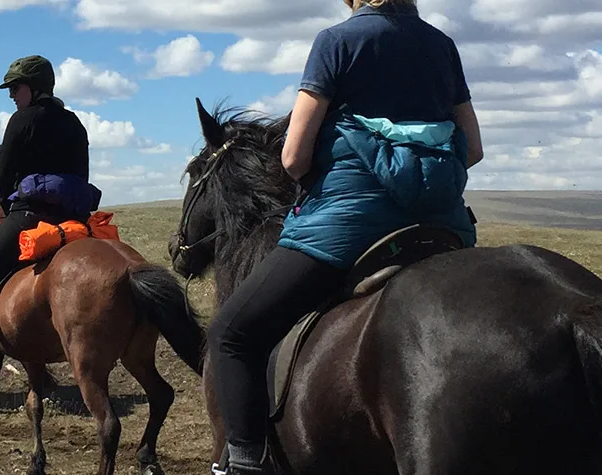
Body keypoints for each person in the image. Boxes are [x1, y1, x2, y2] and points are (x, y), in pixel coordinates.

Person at [205, 1, 484, 474]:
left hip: (347, 228)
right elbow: (472, 150)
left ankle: (244, 464)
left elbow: (293, 157)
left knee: (231, 333)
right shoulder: (442, 45)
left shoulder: (336, 42)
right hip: (441, 226)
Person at [0, 55, 93, 378]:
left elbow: (6, 175)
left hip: (30, 215)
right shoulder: (75, 123)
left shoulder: (21, 121)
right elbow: (82, 173)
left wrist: (10, 204)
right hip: (74, 220)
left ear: (34, 88)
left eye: (15, 88)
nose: (12, 95)